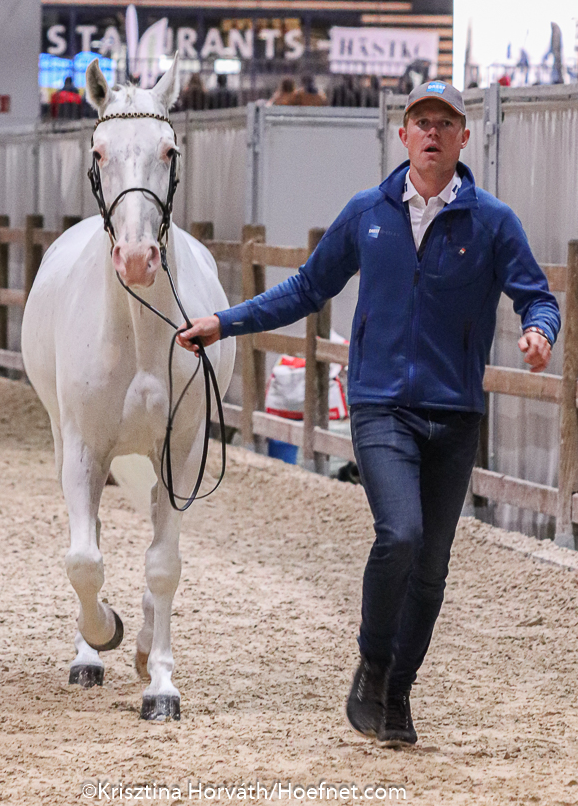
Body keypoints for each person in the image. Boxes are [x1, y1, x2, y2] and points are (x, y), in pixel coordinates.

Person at [176, 80, 560, 747]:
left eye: (445, 122)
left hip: (455, 413)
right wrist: (224, 321)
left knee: (432, 567)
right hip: (381, 405)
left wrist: (539, 331)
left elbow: (538, 296)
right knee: (400, 535)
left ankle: (398, 693)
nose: (432, 132)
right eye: (421, 122)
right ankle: (372, 665)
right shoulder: (367, 213)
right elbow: (306, 288)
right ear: (402, 135)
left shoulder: (493, 222)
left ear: (464, 137)